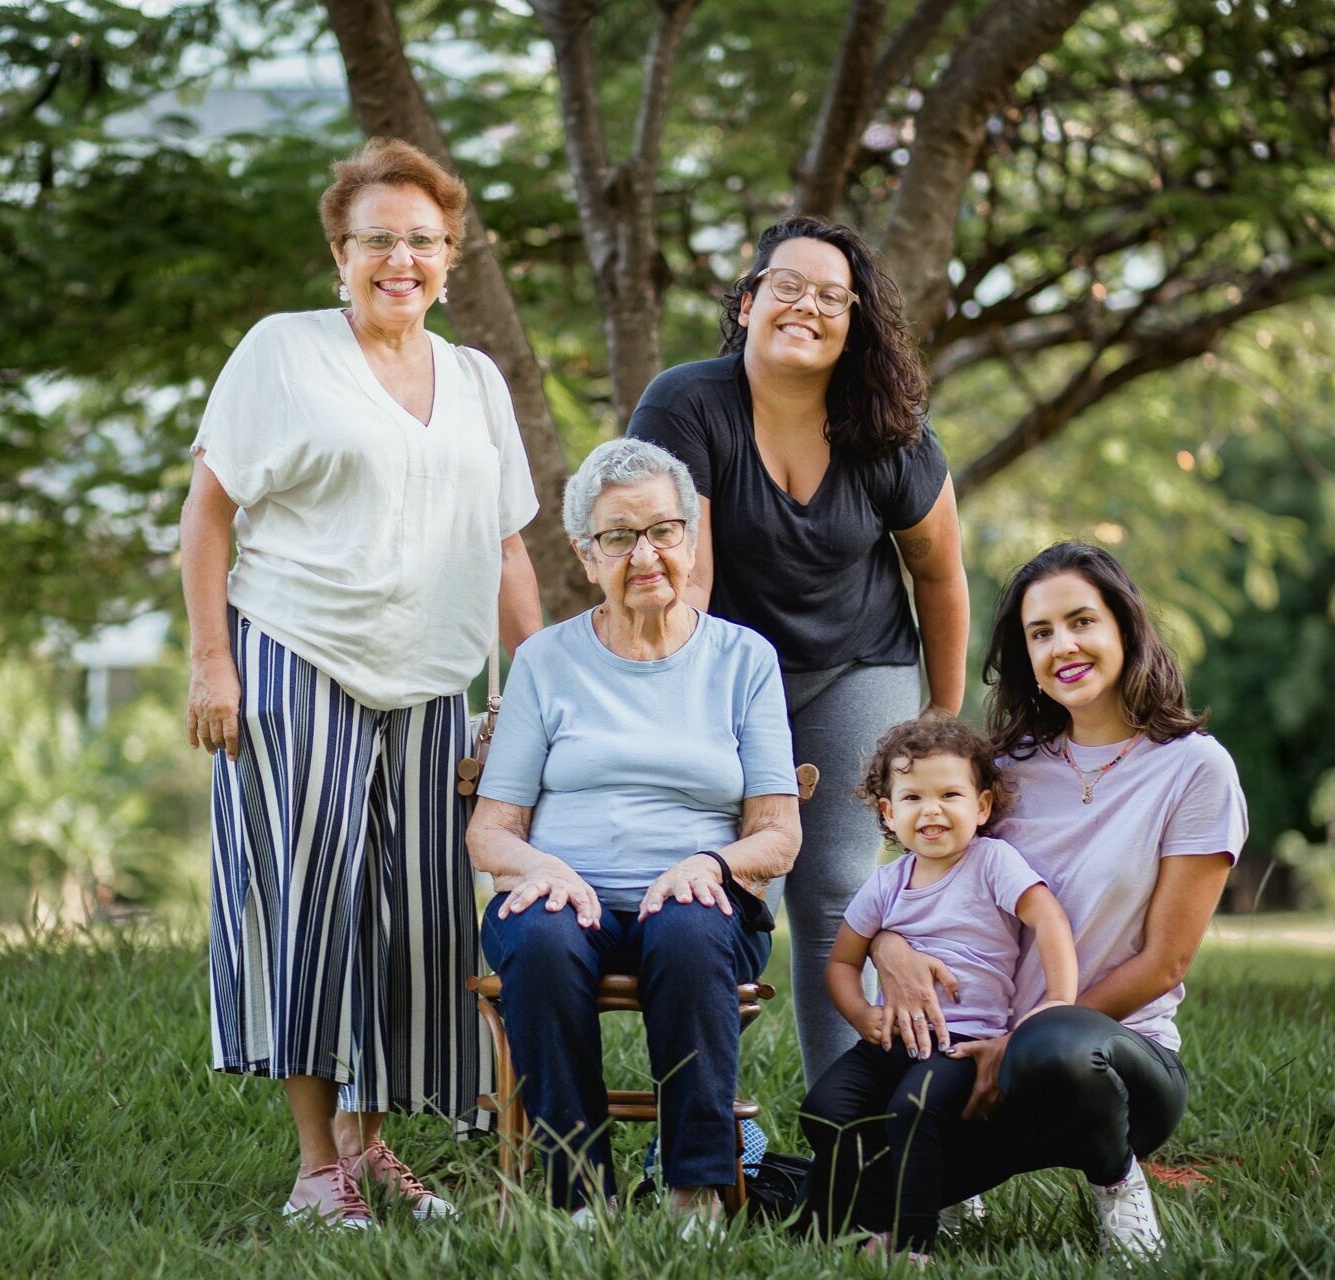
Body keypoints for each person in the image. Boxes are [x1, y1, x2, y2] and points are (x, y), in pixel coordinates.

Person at [180, 138, 542, 1228]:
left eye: (424, 240)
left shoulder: (476, 378)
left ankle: (371, 1145)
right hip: (298, 657)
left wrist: (539, 694)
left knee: (417, 921)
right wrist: (211, 659)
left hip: (433, 684)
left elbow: (509, 550)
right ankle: (313, 1166)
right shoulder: (283, 352)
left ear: (451, 255)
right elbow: (208, 513)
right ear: (338, 252)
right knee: (313, 910)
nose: (402, 257)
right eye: (378, 237)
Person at [627, 215, 969, 1089]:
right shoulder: (685, 404)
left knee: (835, 893)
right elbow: (685, 576)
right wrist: (680, 704)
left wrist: (940, 717)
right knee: (733, 896)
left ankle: (846, 1130)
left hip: (863, 665)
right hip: (731, 678)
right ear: (747, 304)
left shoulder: (891, 430)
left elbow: (939, 576)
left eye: (832, 297)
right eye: (787, 287)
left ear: (854, 324)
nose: (806, 307)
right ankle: (715, 1139)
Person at [866, 542, 1249, 1259]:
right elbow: (922, 884)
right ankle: (941, 1186)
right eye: (1040, 633)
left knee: (1052, 1044)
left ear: (1125, 630)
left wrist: (1024, 1040)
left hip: (1111, 1066)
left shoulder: (1196, 769)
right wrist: (889, 948)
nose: (1062, 646)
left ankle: (1117, 1188)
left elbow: (1165, 962)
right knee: (840, 1202)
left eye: (1081, 622)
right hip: (984, 1062)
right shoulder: (1005, 771)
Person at [465, 438, 802, 1225]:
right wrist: (542, 868)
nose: (645, 553)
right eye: (619, 536)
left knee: (688, 930)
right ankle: (579, 1197)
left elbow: (778, 834)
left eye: (663, 530)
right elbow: (491, 832)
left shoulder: (744, 660)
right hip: (567, 901)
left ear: (690, 541)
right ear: (586, 555)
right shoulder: (546, 661)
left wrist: (712, 865)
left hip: (700, 911)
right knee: (543, 937)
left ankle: (696, 1190)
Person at [799, 717, 1078, 1263]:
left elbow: (1049, 921)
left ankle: (913, 1245)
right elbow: (840, 964)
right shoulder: (886, 883)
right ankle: (840, 1227)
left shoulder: (991, 862)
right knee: (824, 1109)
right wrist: (862, 1017)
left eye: (950, 794)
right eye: (912, 797)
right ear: (888, 812)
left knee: (914, 1108)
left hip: (963, 1043)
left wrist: (1057, 1003)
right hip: (890, 1039)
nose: (931, 810)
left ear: (981, 806)